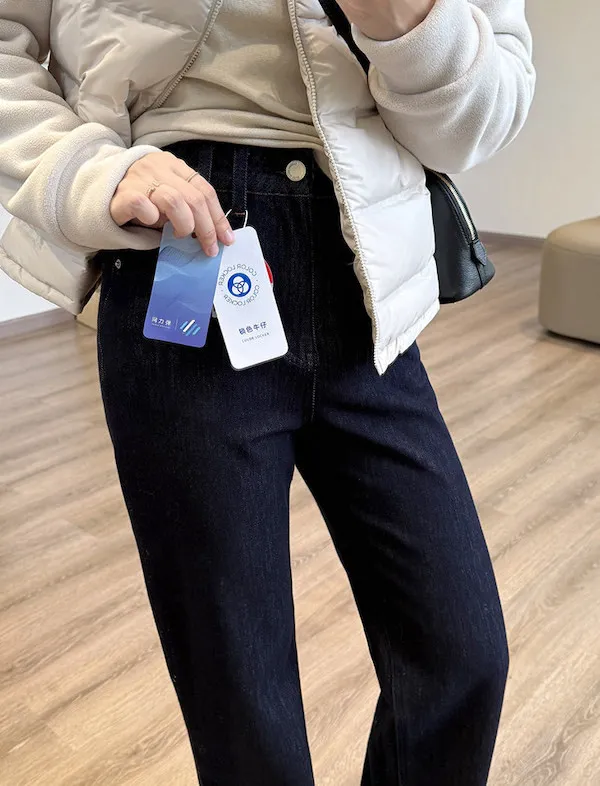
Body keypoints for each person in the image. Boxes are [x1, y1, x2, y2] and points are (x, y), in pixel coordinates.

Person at [0, 1, 535, 783]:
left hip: (364, 271)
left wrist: (409, 24)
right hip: (185, 244)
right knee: (242, 705)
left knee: (463, 659)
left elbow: (481, 118)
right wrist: (85, 168)